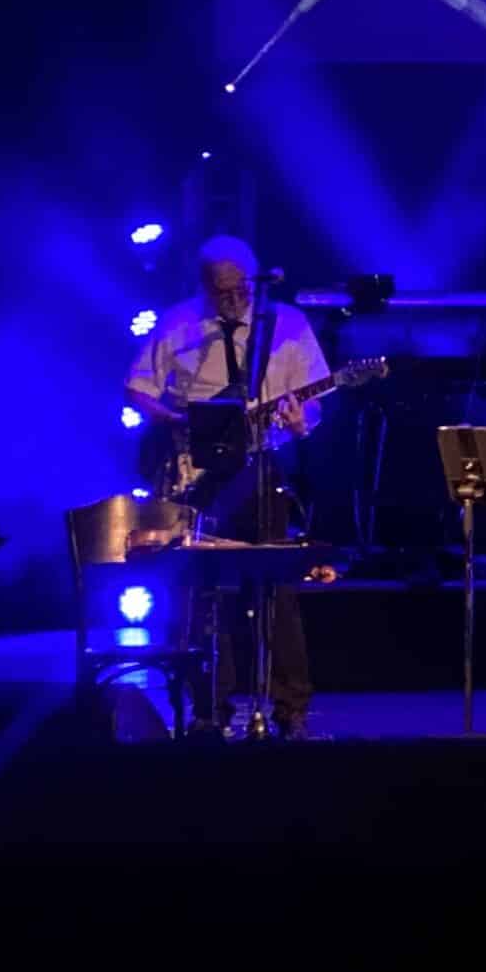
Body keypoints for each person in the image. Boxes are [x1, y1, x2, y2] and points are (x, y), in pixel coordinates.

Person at [125, 235, 328, 738]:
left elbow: (314, 401)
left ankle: (291, 707)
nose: (234, 300)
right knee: (200, 590)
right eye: (222, 291)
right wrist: (178, 423)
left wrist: (301, 422)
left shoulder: (288, 324)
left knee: (275, 586)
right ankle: (208, 707)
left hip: (262, 466)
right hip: (197, 472)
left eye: (242, 290)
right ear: (204, 286)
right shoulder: (178, 323)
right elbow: (138, 388)